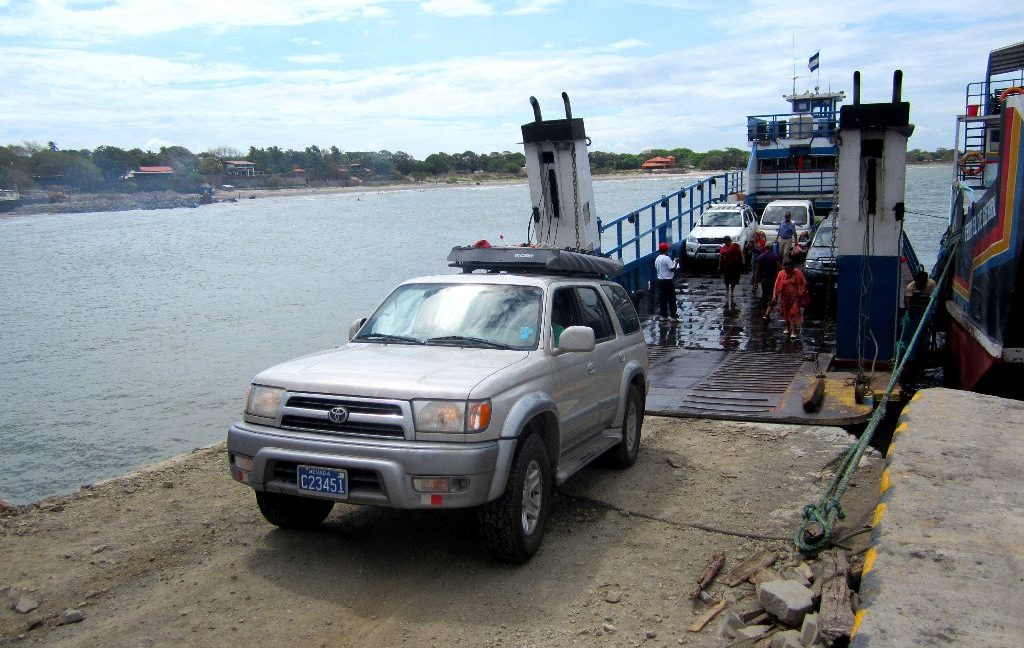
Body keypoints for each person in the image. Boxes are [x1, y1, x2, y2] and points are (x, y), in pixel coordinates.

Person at [770, 260, 808, 339]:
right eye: (785, 269)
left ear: (792, 268)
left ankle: (793, 331)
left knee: (794, 313)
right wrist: (774, 296)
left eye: (788, 269)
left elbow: (804, 283)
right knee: (785, 313)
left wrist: (801, 291)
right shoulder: (781, 273)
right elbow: (776, 285)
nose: (786, 271)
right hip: (784, 297)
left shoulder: (798, 273)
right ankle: (787, 328)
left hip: (795, 297)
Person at [655, 241, 680, 321]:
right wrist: (676, 262)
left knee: (663, 298)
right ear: (666, 250)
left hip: (660, 280)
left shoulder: (657, 258)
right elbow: (672, 269)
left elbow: (657, 267)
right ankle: (673, 316)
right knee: (671, 298)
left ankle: (663, 315)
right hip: (668, 281)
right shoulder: (667, 258)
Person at [718, 235, 743, 305]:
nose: (726, 243)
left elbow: (741, 252)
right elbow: (721, 257)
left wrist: (743, 259)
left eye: (726, 242)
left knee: (734, 278)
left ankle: (732, 290)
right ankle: (727, 289)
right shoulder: (723, 248)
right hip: (727, 265)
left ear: (729, 241)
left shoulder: (736, 245)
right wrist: (719, 266)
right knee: (727, 278)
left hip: (735, 264)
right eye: (725, 242)